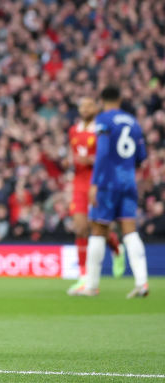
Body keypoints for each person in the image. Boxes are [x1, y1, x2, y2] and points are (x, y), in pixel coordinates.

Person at [75, 85, 149, 298]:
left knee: (97, 231)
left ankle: (92, 286)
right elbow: (141, 157)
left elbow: (103, 152)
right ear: (120, 99)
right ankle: (141, 283)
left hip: (107, 182)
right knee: (130, 231)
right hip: (128, 181)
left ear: (102, 101)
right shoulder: (133, 122)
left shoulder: (104, 120)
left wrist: (95, 183)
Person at [66, 96, 125, 295]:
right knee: (80, 228)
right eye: (81, 106)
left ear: (96, 107)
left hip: (99, 183)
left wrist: (90, 160)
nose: (84, 109)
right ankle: (83, 277)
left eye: (88, 105)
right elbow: (73, 155)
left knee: (98, 228)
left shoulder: (102, 128)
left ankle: (116, 246)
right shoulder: (73, 130)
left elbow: (108, 158)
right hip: (79, 183)